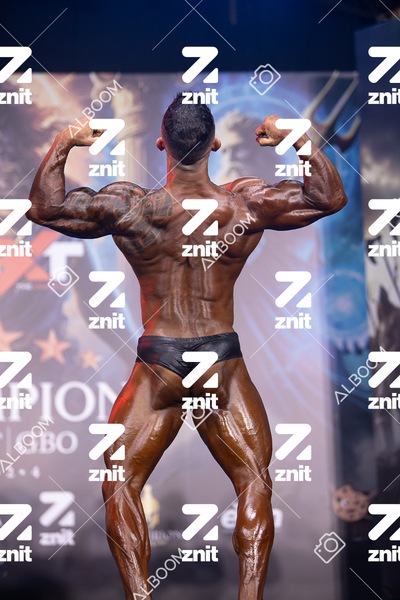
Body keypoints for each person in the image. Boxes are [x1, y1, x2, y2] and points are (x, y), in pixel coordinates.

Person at [28, 94, 347, 600]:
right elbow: (328, 198)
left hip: (161, 360)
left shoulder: (134, 206)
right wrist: (299, 138)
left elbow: (46, 207)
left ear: (162, 144)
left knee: (120, 482)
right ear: (215, 144)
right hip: (221, 359)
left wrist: (66, 141)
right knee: (253, 481)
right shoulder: (244, 203)